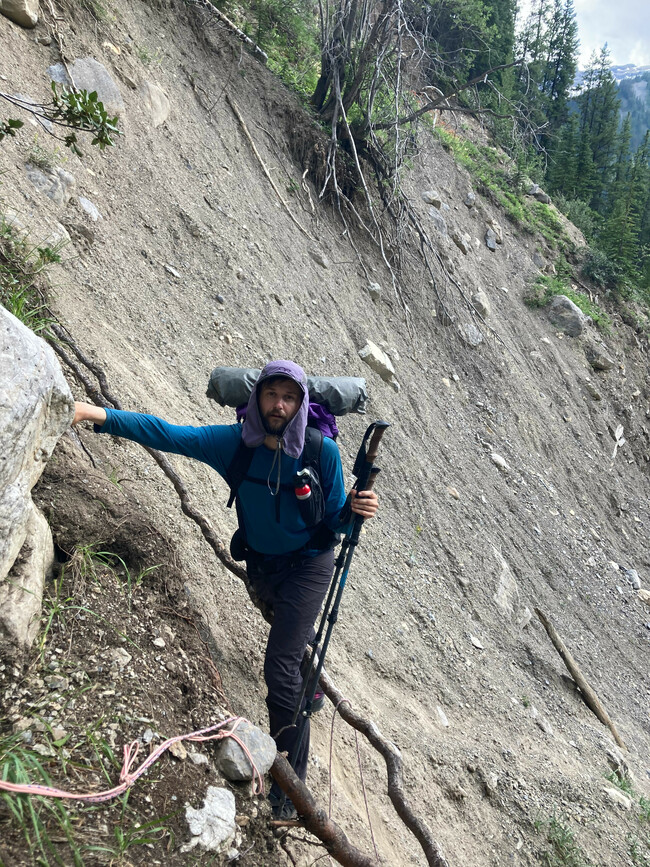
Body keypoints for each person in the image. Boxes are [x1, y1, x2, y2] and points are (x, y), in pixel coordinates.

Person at [72, 360, 378, 818]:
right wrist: (97, 415)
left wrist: (357, 507)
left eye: (289, 397)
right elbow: (169, 434)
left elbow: (335, 521)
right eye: (272, 395)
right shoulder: (236, 444)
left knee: (279, 668)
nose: (279, 404)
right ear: (256, 398)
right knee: (290, 642)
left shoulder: (322, 452)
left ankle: (290, 791)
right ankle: (307, 684)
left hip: (311, 566)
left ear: (302, 404)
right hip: (264, 565)